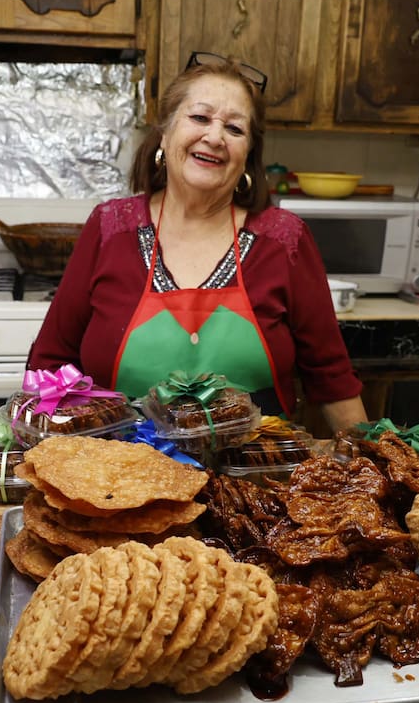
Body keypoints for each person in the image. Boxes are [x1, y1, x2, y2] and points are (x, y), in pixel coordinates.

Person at [27, 52, 367, 433]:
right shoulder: (110, 228)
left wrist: (377, 462)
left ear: (248, 155)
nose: (215, 137)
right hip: (118, 479)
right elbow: (50, 362)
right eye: (200, 118)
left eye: (235, 129)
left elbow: (330, 377)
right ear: (166, 132)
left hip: (255, 477)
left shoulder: (283, 239)